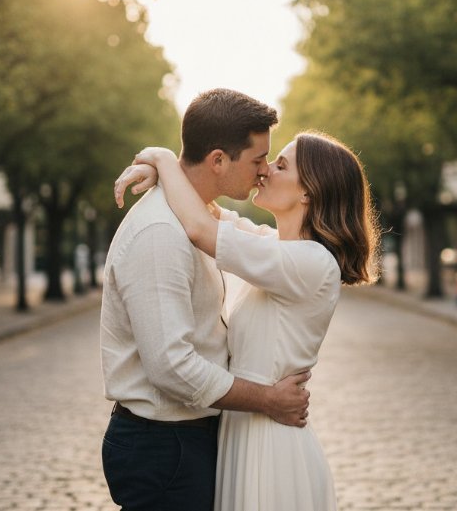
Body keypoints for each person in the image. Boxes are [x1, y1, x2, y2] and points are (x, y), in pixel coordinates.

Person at [114, 130, 380, 511]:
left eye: (281, 165)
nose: (265, 171)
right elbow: (210, 212)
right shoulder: (274, 247)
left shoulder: (310, 262)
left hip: (270, 443)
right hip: (243, 432)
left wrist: (161, 158)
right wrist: (170, 171)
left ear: (309, 191)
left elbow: (200, 228)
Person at [99, 88, 313, 511]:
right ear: (218, 160)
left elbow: (254, 240)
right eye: (257, 159)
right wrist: (268, 399)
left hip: (183, 440)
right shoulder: (160, 233)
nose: (264, 170)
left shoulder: (200, 215)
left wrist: (162, 161)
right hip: (163, 446)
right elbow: (171, 367)